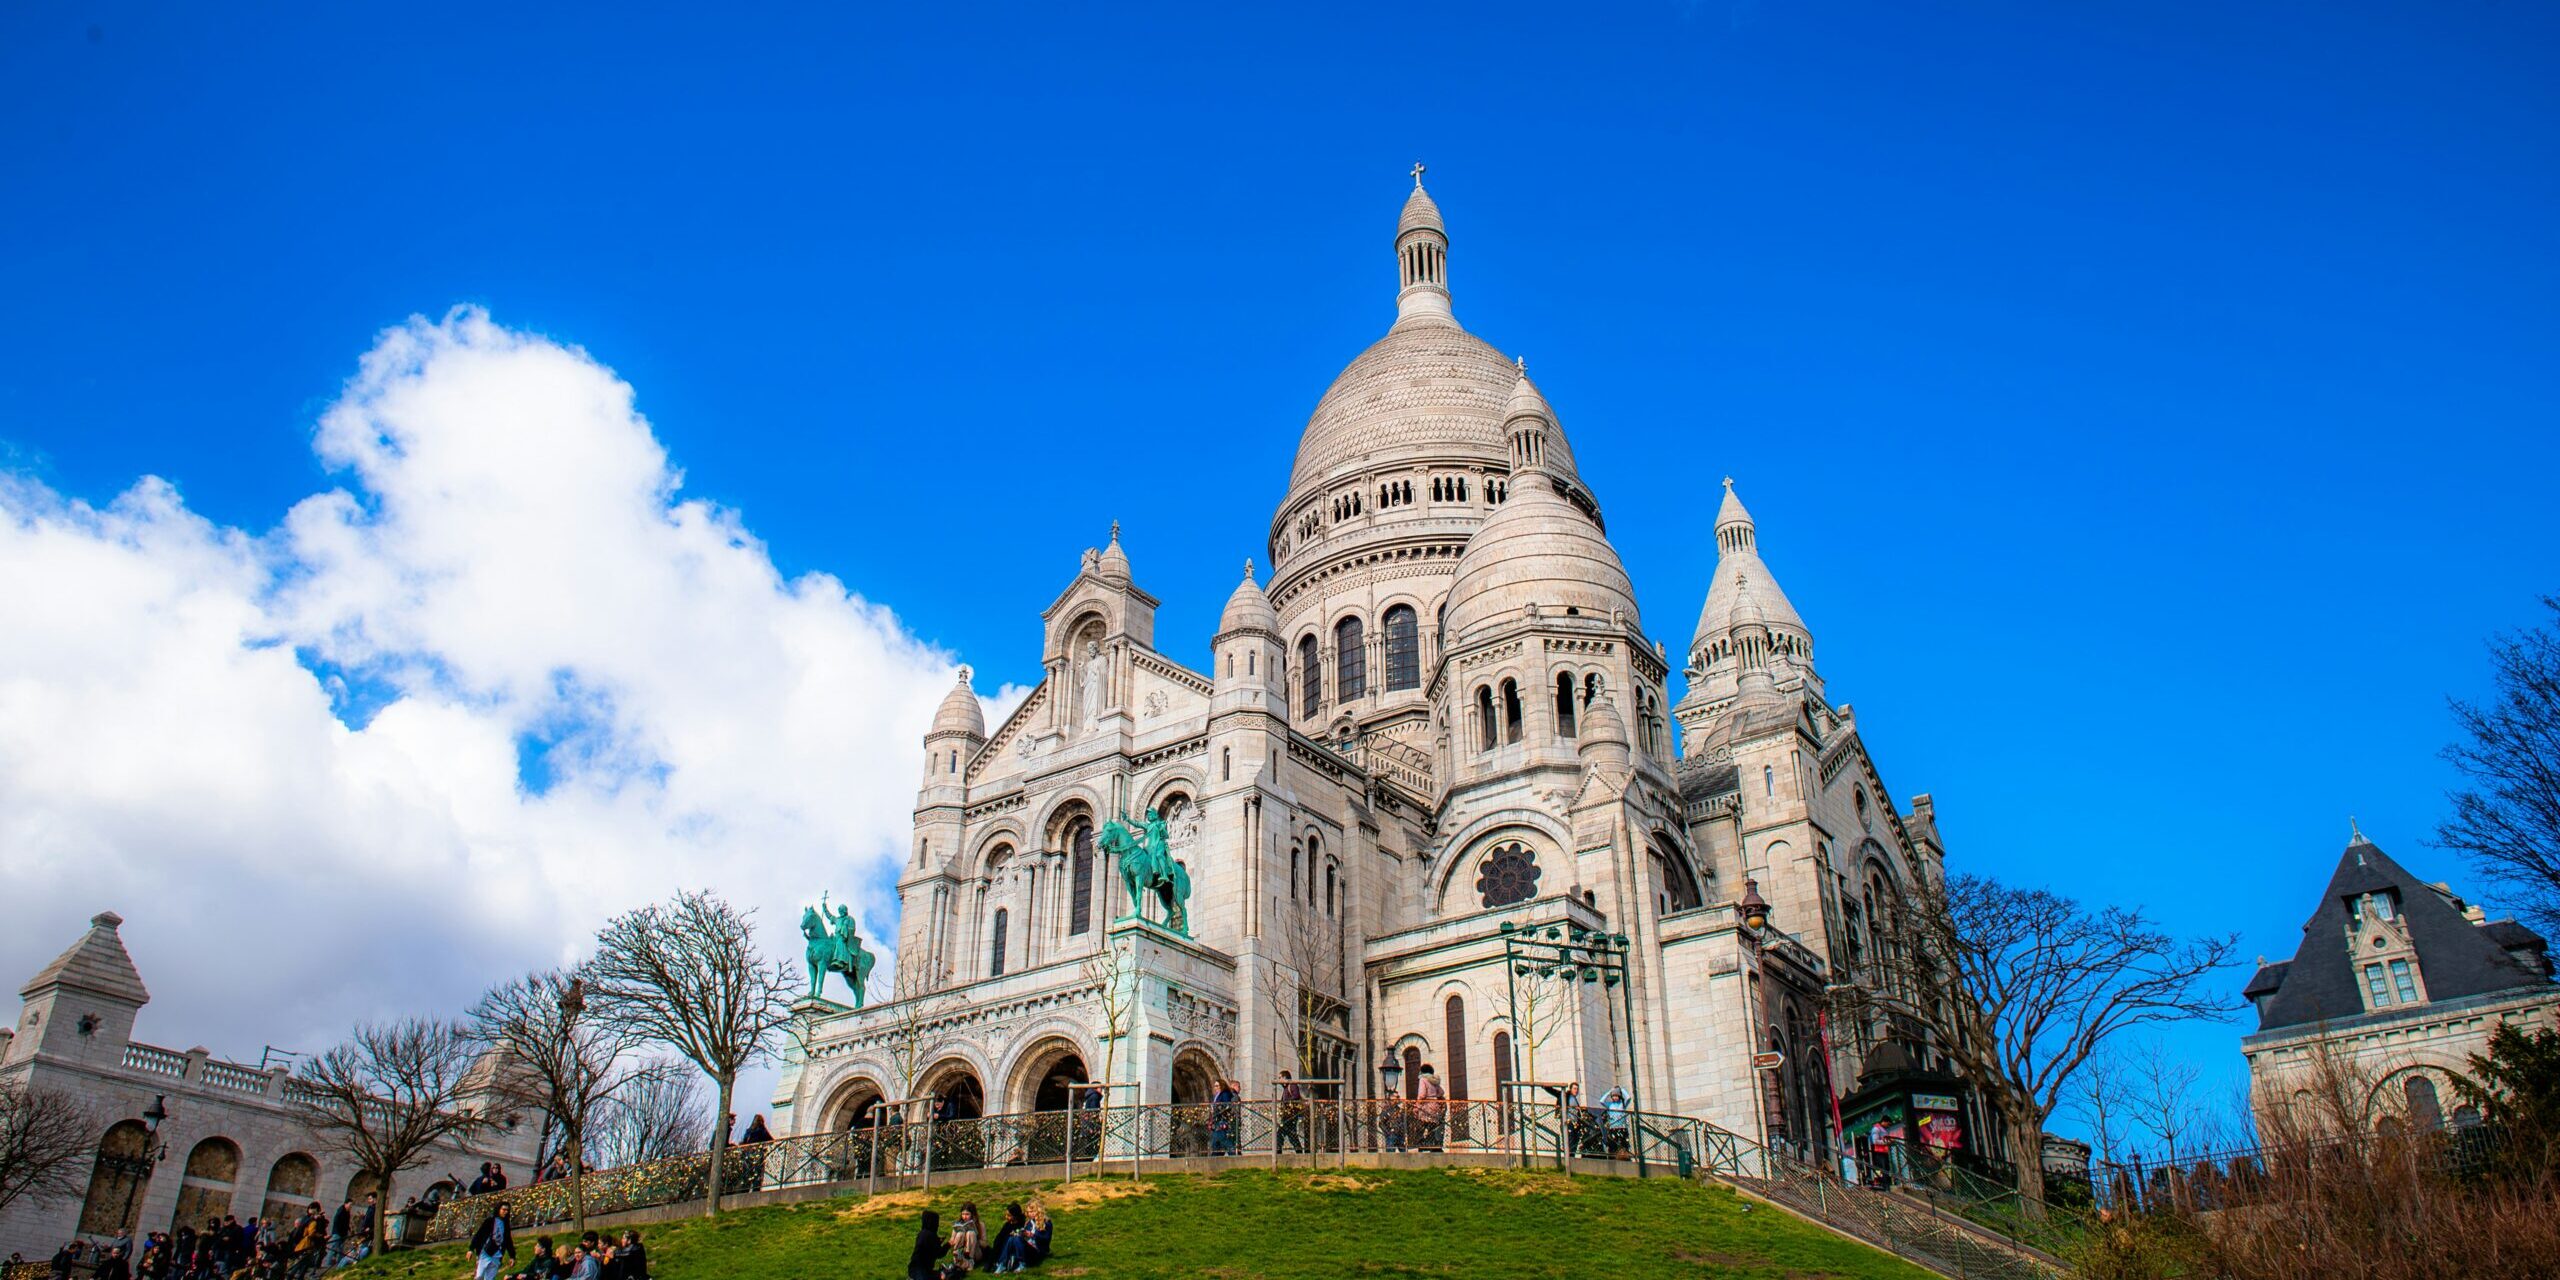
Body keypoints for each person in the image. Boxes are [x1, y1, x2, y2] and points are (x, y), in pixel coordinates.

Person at [989, 1204, 1051, 1273]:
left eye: (1032, 1211)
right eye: (1028, 1212)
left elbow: (1046, 1238)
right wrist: (1021, 1233)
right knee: (1012, 1237)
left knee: (1016, 1238)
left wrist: (1032, 1235)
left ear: (1038, 1211)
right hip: (1028, 1246)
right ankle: (1002, 1263)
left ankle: (1020, 1264)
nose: (1030, 1214)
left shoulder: (1046, 1223)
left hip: (1037, 1250)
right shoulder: (1029, 1223)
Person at [469, 1203, 517, 1280]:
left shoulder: (506, 1224)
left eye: (507, 1210)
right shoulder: (490, 1221)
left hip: (497, 1254)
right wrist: (471, 1249)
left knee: (490, 1278)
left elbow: (508, 1241)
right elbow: (479, 1235)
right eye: (504, 1210)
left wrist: (512, 1256)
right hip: (485, 1252)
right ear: (499, 1210)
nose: (506, 1212)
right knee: (479, 1276)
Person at [906, 1210, 949, 1280]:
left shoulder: (922, 1233)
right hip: (920, 1270)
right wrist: (948, 1244)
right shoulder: (931, 1235)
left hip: (915, 1269)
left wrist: (938, 1242)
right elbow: (939, 1253)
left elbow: (928, 1247)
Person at [1414, 1065, 1446, 1152]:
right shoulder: (1434, 1081)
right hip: (1435, 1107)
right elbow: (1441, 1092)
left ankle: (1423, 1145)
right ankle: (1435, 1146)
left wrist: (1417, 1105)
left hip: (1426, 1106)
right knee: (1433, 1126)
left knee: (1423, 1126)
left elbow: (1422, 1094)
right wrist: (1435, 1096)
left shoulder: (1423, 1079)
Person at [1276, 1072, 1308, 1154]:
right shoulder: (1286, 1088)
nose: (1279, 1080)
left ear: (1285, 1078)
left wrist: (1287, 1102)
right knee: (1291, 1134)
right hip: (1287, 1115)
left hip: (1291, 1115)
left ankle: (1278, 1150)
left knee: (1280, 1133)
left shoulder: (1292, 1085)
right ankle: (1298, 1150)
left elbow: (1296, 1095)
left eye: (1280, 1078)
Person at [1600, 1086, 1631, 1156]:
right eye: (1613, 1096)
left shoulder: (1622, 1104)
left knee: (1624, 1143)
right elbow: (1601, 1101)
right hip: (1613, 1127)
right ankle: (1613, 1156)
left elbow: (1628, 1098)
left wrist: (1621, 1089)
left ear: (1619, 1096)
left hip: (1622, 1127)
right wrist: (1609, 1092)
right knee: (1613, 1143)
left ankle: (1625, 1155)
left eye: (1617, 1095)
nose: (1615, 1097)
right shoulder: (1610, 1104)